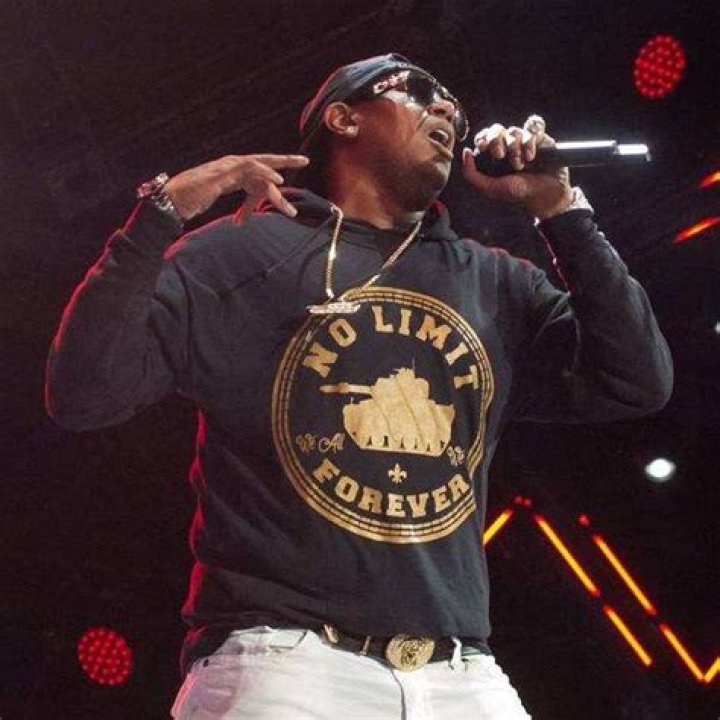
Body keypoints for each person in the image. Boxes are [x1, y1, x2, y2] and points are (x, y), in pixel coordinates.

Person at [45, 54, 672, 719]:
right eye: (419, 92)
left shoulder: (492, 281)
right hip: (286, 664)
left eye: (454, 107)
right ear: (343, 118)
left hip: (460, 673)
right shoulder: (236, 253)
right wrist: (162, 212)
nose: (446, 110)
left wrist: (562, 212)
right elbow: (85, 393)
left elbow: (636, 379)